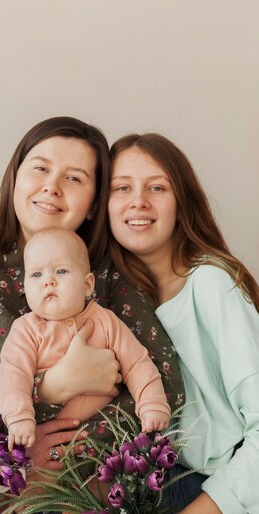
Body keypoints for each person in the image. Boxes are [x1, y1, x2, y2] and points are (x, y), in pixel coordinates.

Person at [0, 116, 185, 470]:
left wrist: (78, 454)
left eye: (73, 178)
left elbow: (167, 387)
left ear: (94, 203)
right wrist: (50, 388)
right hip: (12, 486)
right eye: (40, 168)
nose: (52, 187)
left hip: (105, 485)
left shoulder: (112, 272)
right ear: (15, 178)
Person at [108, 133, 259, 514]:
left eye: (157, 187)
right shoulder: (107, 300)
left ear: (181, 202)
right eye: (122, 187)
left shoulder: (210, 284)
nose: (138, 201)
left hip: (216, 489)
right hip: (144, 488)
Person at [0, 227, 170, 451]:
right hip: (47, 440)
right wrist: (19, 418)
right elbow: (13, 377)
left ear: (87, 284)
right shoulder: (25, 330)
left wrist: (152, 404)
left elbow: (137, 363)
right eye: (36, 274)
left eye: (61, 271)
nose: (48, 281)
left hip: (104, 439)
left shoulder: (106, 321)